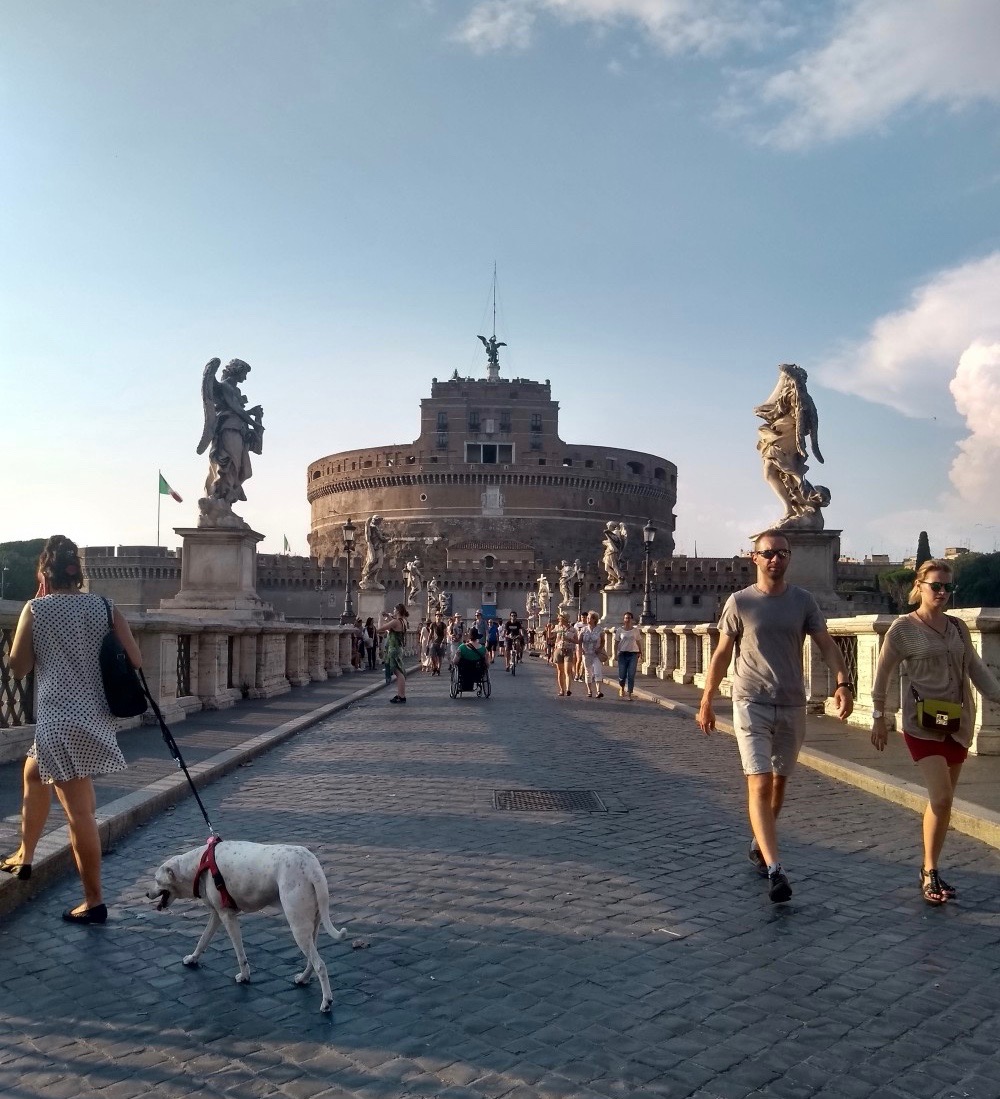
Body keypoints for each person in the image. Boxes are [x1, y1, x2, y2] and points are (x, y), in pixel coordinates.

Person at [696, 530, 853, 904]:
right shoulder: (740, 602)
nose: (775, 559)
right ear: (755, 557)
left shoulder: (803, 601)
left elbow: (826, 644)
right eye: (768, 553)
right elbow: (721, 654)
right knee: (760, 783)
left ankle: (758, 843)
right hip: (750, 701)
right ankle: (775, 869)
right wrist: (706, 701)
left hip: (792, 702)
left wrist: (843, 682)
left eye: (782, 553)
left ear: (789, 557)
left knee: (780, 784)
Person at [5, 535, 142, 924]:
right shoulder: (105, 606)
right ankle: (25, 854)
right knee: (33, 773)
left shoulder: (36, 608)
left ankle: (94, 901)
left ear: (43, 574)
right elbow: (135, 658)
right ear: (79, 574)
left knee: (79, 815)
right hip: (94, 716)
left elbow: (19, 668)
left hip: (58, 721)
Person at [871, 559, 1000, 905]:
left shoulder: (958, 628)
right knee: (941, 798)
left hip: (956, 724)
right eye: (936, 586)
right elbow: (882, 674)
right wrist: (879, 715)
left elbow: (976, 670)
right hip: (921, 723)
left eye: (947, 587)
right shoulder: (903, 629)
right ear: (920, 586)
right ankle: (929, 872)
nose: (942, 592)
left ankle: (931, 867)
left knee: (942, 803)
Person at [378, 604, 409, 703]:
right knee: (399, 672)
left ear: (398, 611)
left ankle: (401, 695)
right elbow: (393, 623)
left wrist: (380, 618)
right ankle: (401, 694)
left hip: (394, 649)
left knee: (398, 673)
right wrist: (388, 616)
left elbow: (380, 629)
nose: (393, 611)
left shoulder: (396, 622)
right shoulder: (403, 621)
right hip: (398, 648)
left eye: (394, 609)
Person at [614, 610, 643, 700]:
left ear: (632, 620)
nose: (627, 619)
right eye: (626, 618)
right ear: (624, 619)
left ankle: (630, 693)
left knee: (631, 674)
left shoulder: (635, 630)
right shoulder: (619, 630)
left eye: (629, 618)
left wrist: (640, 651)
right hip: (622, 654)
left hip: (633, 654)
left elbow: (638, 641)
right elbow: (616, 643)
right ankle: (622, 687)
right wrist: (615, 654)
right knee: (622, 675)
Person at [577, 611, 606, 699]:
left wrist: (600, 648)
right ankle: (589, 690)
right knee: (588, 672)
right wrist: (581, 650)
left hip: (596, 654)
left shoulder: (599, 629)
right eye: (587, 618)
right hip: (586, 653)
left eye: (590, 618)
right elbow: (579, 641)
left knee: (597, 671)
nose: (588, 619)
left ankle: (598, 691)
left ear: (594, 620)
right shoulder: (584, 629)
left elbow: (603, 640)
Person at [552, 612, 579, 697]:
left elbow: (577, 641)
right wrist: (549, 629)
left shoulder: (573, 629)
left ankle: (568, 689)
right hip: (559, 650)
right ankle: (561, 690)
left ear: (564, 619)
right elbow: (550, 637)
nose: (558, 619)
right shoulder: (557, 627)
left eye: (560, 618)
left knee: (567, 670)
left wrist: (569, 639)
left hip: (568, 650)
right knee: (560, 671)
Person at [454, 627, 489, 692]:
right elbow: (487, 664)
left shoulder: (462, 647)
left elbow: (455, 661)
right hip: (478, 673)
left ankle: (464, 686)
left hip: (464, 672)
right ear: (477, 637)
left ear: (469, 637)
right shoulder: (483, 649)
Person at [429, 611, 447, 676]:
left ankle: (438, 669)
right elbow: (430, 634)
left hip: (441, 642)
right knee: (432, 656)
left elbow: (445, 635)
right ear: (435, 617)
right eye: (437, 616)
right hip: (434, 642)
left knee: (440, 657)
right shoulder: (432, 624)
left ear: (441, 617)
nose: (438, 617)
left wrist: (443, 642)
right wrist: (428, 642)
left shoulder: (443, 625)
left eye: (440, 616)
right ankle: (435, 667)